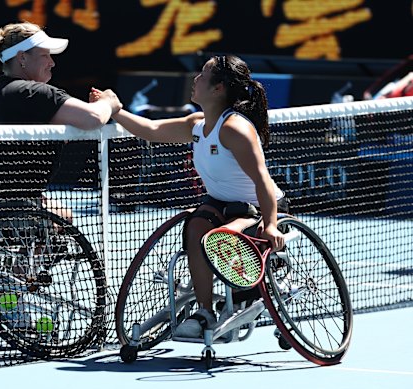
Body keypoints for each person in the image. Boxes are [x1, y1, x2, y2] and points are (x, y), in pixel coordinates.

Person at [91, 55, 288, 338]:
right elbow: (152, 130)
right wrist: (115, 109)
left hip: (260, 207)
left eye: (203, 75)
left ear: (218, 88)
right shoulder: (198, 123)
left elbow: (263, 181)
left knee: (219, 236)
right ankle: (205, 312)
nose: (195, 79)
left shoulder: (234, 129)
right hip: (221, 204)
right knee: (195, 226)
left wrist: (270, 225)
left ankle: (247, 294)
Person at [0, 21, 122, 247]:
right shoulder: (34, 93)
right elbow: (94, 118)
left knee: (57, 211)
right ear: (22, 58)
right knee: (63, 218)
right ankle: (20, 277)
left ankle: (14, 273)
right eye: (44, 56)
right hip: (1, 213)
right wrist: (109, 103)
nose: (52, 62)